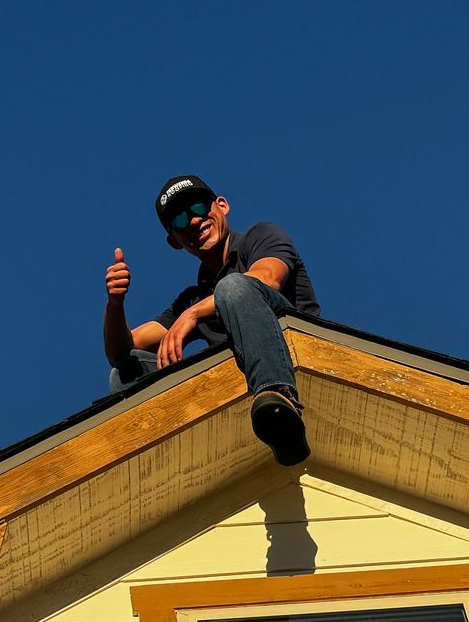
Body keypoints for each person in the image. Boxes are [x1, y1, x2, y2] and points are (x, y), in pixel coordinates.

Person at [103, 175, 321, 466]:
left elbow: (268, 277)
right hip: (238, 370)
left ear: (222, 205)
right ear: (174, 241)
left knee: (232, 287)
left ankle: (279, 401)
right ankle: (165, 460)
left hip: (292, 354)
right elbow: (121, 350)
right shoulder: (192, 298)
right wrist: (115, 303)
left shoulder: (261, 236)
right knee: (126, 373)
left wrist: (193, 314)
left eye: (198, 208)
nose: (193, 221)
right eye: (180, 220)